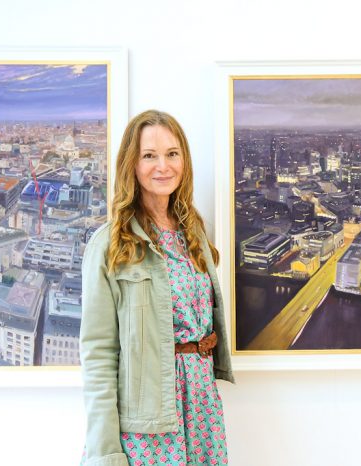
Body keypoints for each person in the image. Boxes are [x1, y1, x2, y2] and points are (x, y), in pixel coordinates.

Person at [80, 109, 235, 466]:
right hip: (147, 422)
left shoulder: (193, 233)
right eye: (149, 155)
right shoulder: (109, 245)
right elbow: (98, 354)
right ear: (132, 165)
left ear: (184, 160)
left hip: (201, 408)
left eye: (172, 154)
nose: (163, 166)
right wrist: (105, 452)